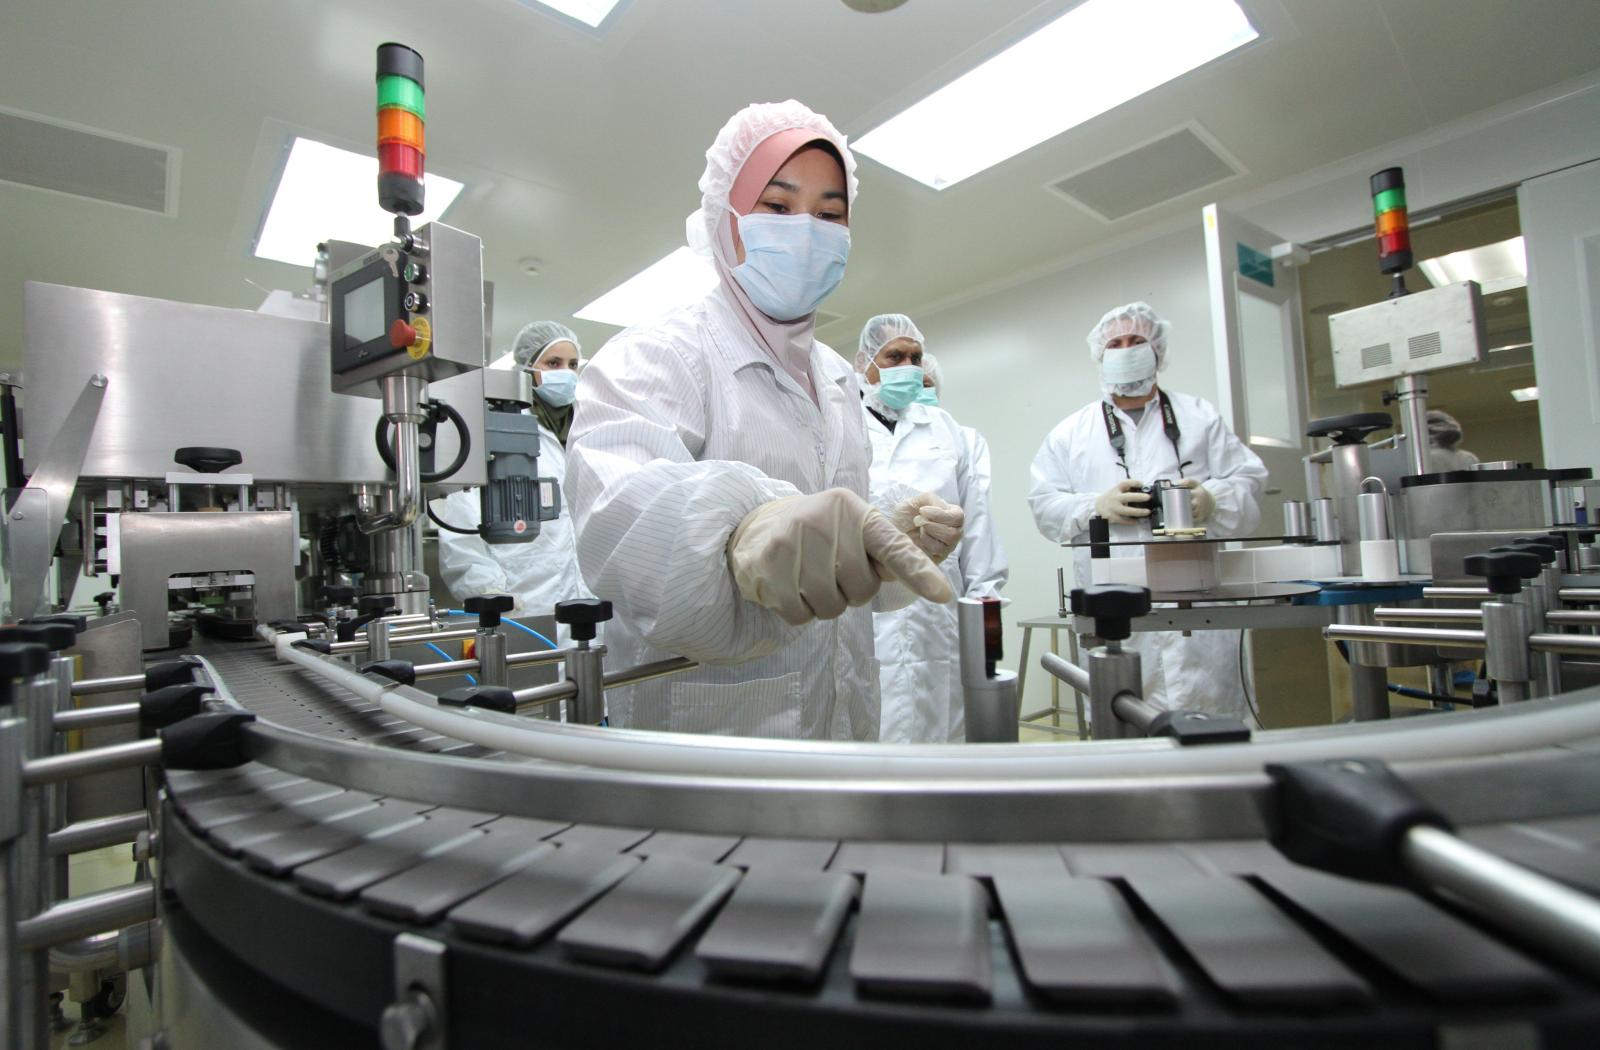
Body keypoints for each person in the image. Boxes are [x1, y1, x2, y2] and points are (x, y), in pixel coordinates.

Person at [565, 101, 961, 740]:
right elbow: (618, 523)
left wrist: (879, 536)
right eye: (777, 206)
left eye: (829, 215)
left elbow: (834, 541)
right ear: (726, 223)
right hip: (715, 735)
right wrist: (737, 532)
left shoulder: (837, 377)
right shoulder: (658, 355)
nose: (805, 231)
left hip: (846, 721)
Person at [1028, 302, 1267, 721]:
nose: (1126, 349)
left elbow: (1250, 480)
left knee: (1213, 722)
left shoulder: (1199, 417)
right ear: (1100, 356)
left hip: (1198, 607)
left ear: (1157, 349)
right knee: (1123, 719)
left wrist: (1212, 499)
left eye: (1136, 340)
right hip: (1115, 607)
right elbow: (1044, 506)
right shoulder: (1072, 433)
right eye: (1115, 343)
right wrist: (1095, 506)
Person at [858, 317, 1008, 742]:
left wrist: (985, 608)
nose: (908, 366)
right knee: (872, 725)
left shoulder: (946, 430)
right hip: (865, 606)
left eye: (915, 357)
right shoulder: (842, 423)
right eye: (894, 356)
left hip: (937, 610)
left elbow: (977, 525)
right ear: (865, 363)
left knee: (941, 727)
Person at [436, 322, 591, 627]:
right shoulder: (497, 430)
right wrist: (490, 593)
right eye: (553, 363)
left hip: (591, 604)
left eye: (573, 364)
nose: (567, 373)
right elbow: (461, 525)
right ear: (526, 368)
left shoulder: (588, 430)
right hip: (525, 604)